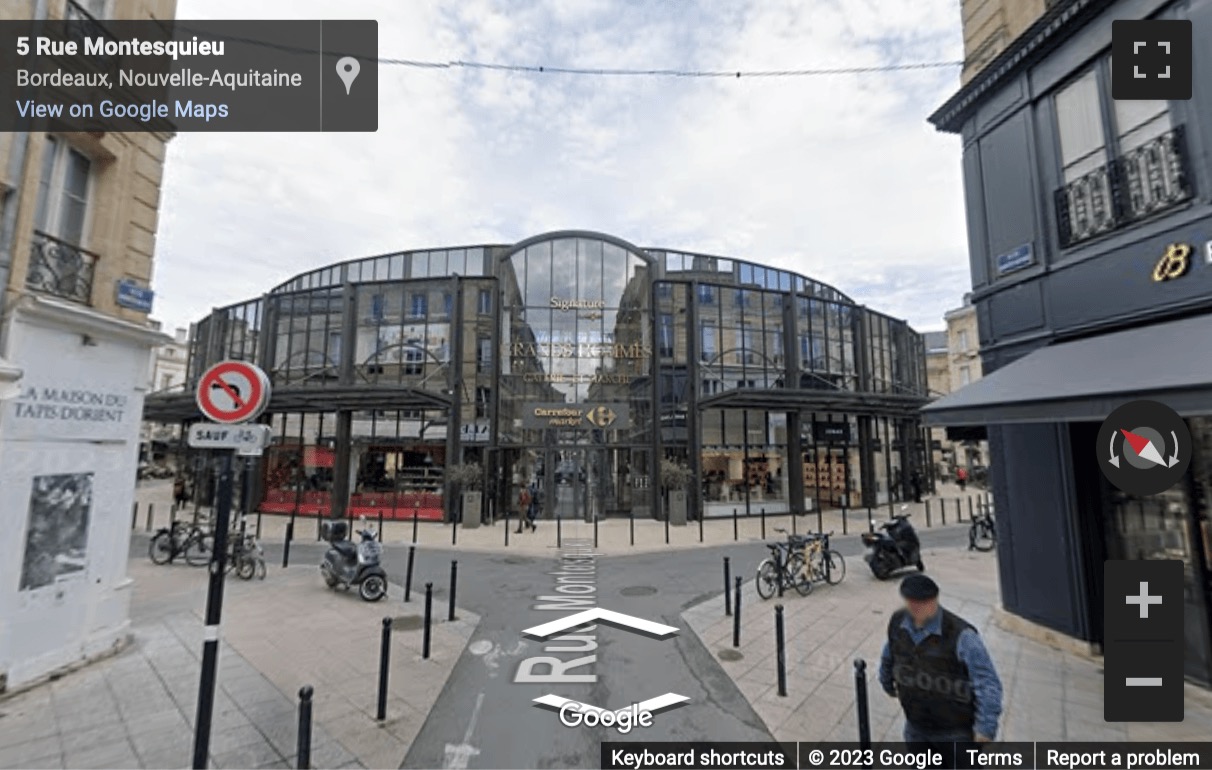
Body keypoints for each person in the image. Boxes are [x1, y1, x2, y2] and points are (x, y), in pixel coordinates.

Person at [879, 575, 1002, 769]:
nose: (918, 608)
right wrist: (887, 682)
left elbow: (987, 681)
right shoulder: (898, 623)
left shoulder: (962, 635)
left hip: (955, 731)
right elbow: (890, 654)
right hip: (916, 727)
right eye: (914, 603)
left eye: (925, 603)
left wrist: (986, 726)